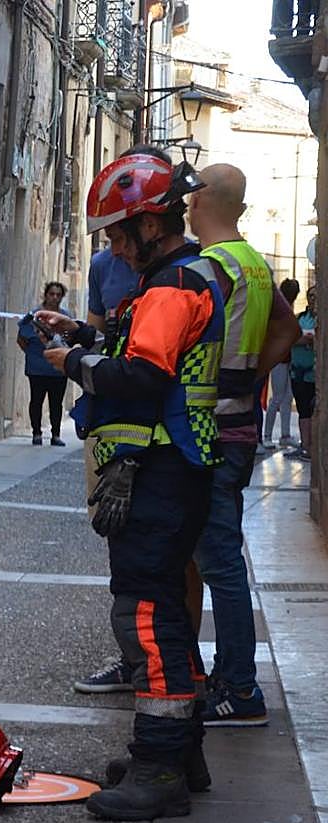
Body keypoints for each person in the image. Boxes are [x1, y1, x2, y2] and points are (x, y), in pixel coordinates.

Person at [39, 151, 223, 820]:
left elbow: (143, 376)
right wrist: (84, 333)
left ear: (153, 223)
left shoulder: (175, 283)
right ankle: (180, 753)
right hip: (172, 469)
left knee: (149, 615)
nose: (115, 247)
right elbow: (144, 351)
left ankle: (160, 766)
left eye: (120, 234)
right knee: (163, 612)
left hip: (163, 472)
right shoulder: (176, 280)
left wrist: (75, 361)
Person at [185, 164, 302, 728]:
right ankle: (227, 678)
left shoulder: (211, 267)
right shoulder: (256, 263)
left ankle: (239, 688)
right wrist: (254, 377)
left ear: (202, 201)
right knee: (220, 554)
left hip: (208, 427)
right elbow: (287, 331)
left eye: (191, 194)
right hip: (240, 423)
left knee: (220, 560)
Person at [17, 282, 71, 446]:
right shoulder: (34, 316)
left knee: (56, 402)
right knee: (36, 400)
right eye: (52, 294)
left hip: (58, 368)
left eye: (58, 295)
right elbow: (21, 339)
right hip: (37, 368)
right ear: (45, 295)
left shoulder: (65, 317)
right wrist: (35, 355)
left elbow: (71, 338)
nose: (54, 298)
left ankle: (55, 435)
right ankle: (37, 433)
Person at [263, 279, 301, 449]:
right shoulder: (282, 310)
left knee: (286, 397)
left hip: (286, 359)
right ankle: (267, 435)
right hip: (279, 359)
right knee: (278, 397)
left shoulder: (285, 308)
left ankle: (285, 435)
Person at [287, 285, 317, 461]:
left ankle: (315, 446)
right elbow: (290, 337)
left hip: (316, 375)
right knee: (303, 410)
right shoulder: (300, 319)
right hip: (298, 374)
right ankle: (305, 446)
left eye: (316, 296)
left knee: (316, 410)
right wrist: (304, 339)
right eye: (310, 296)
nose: (313, 299)